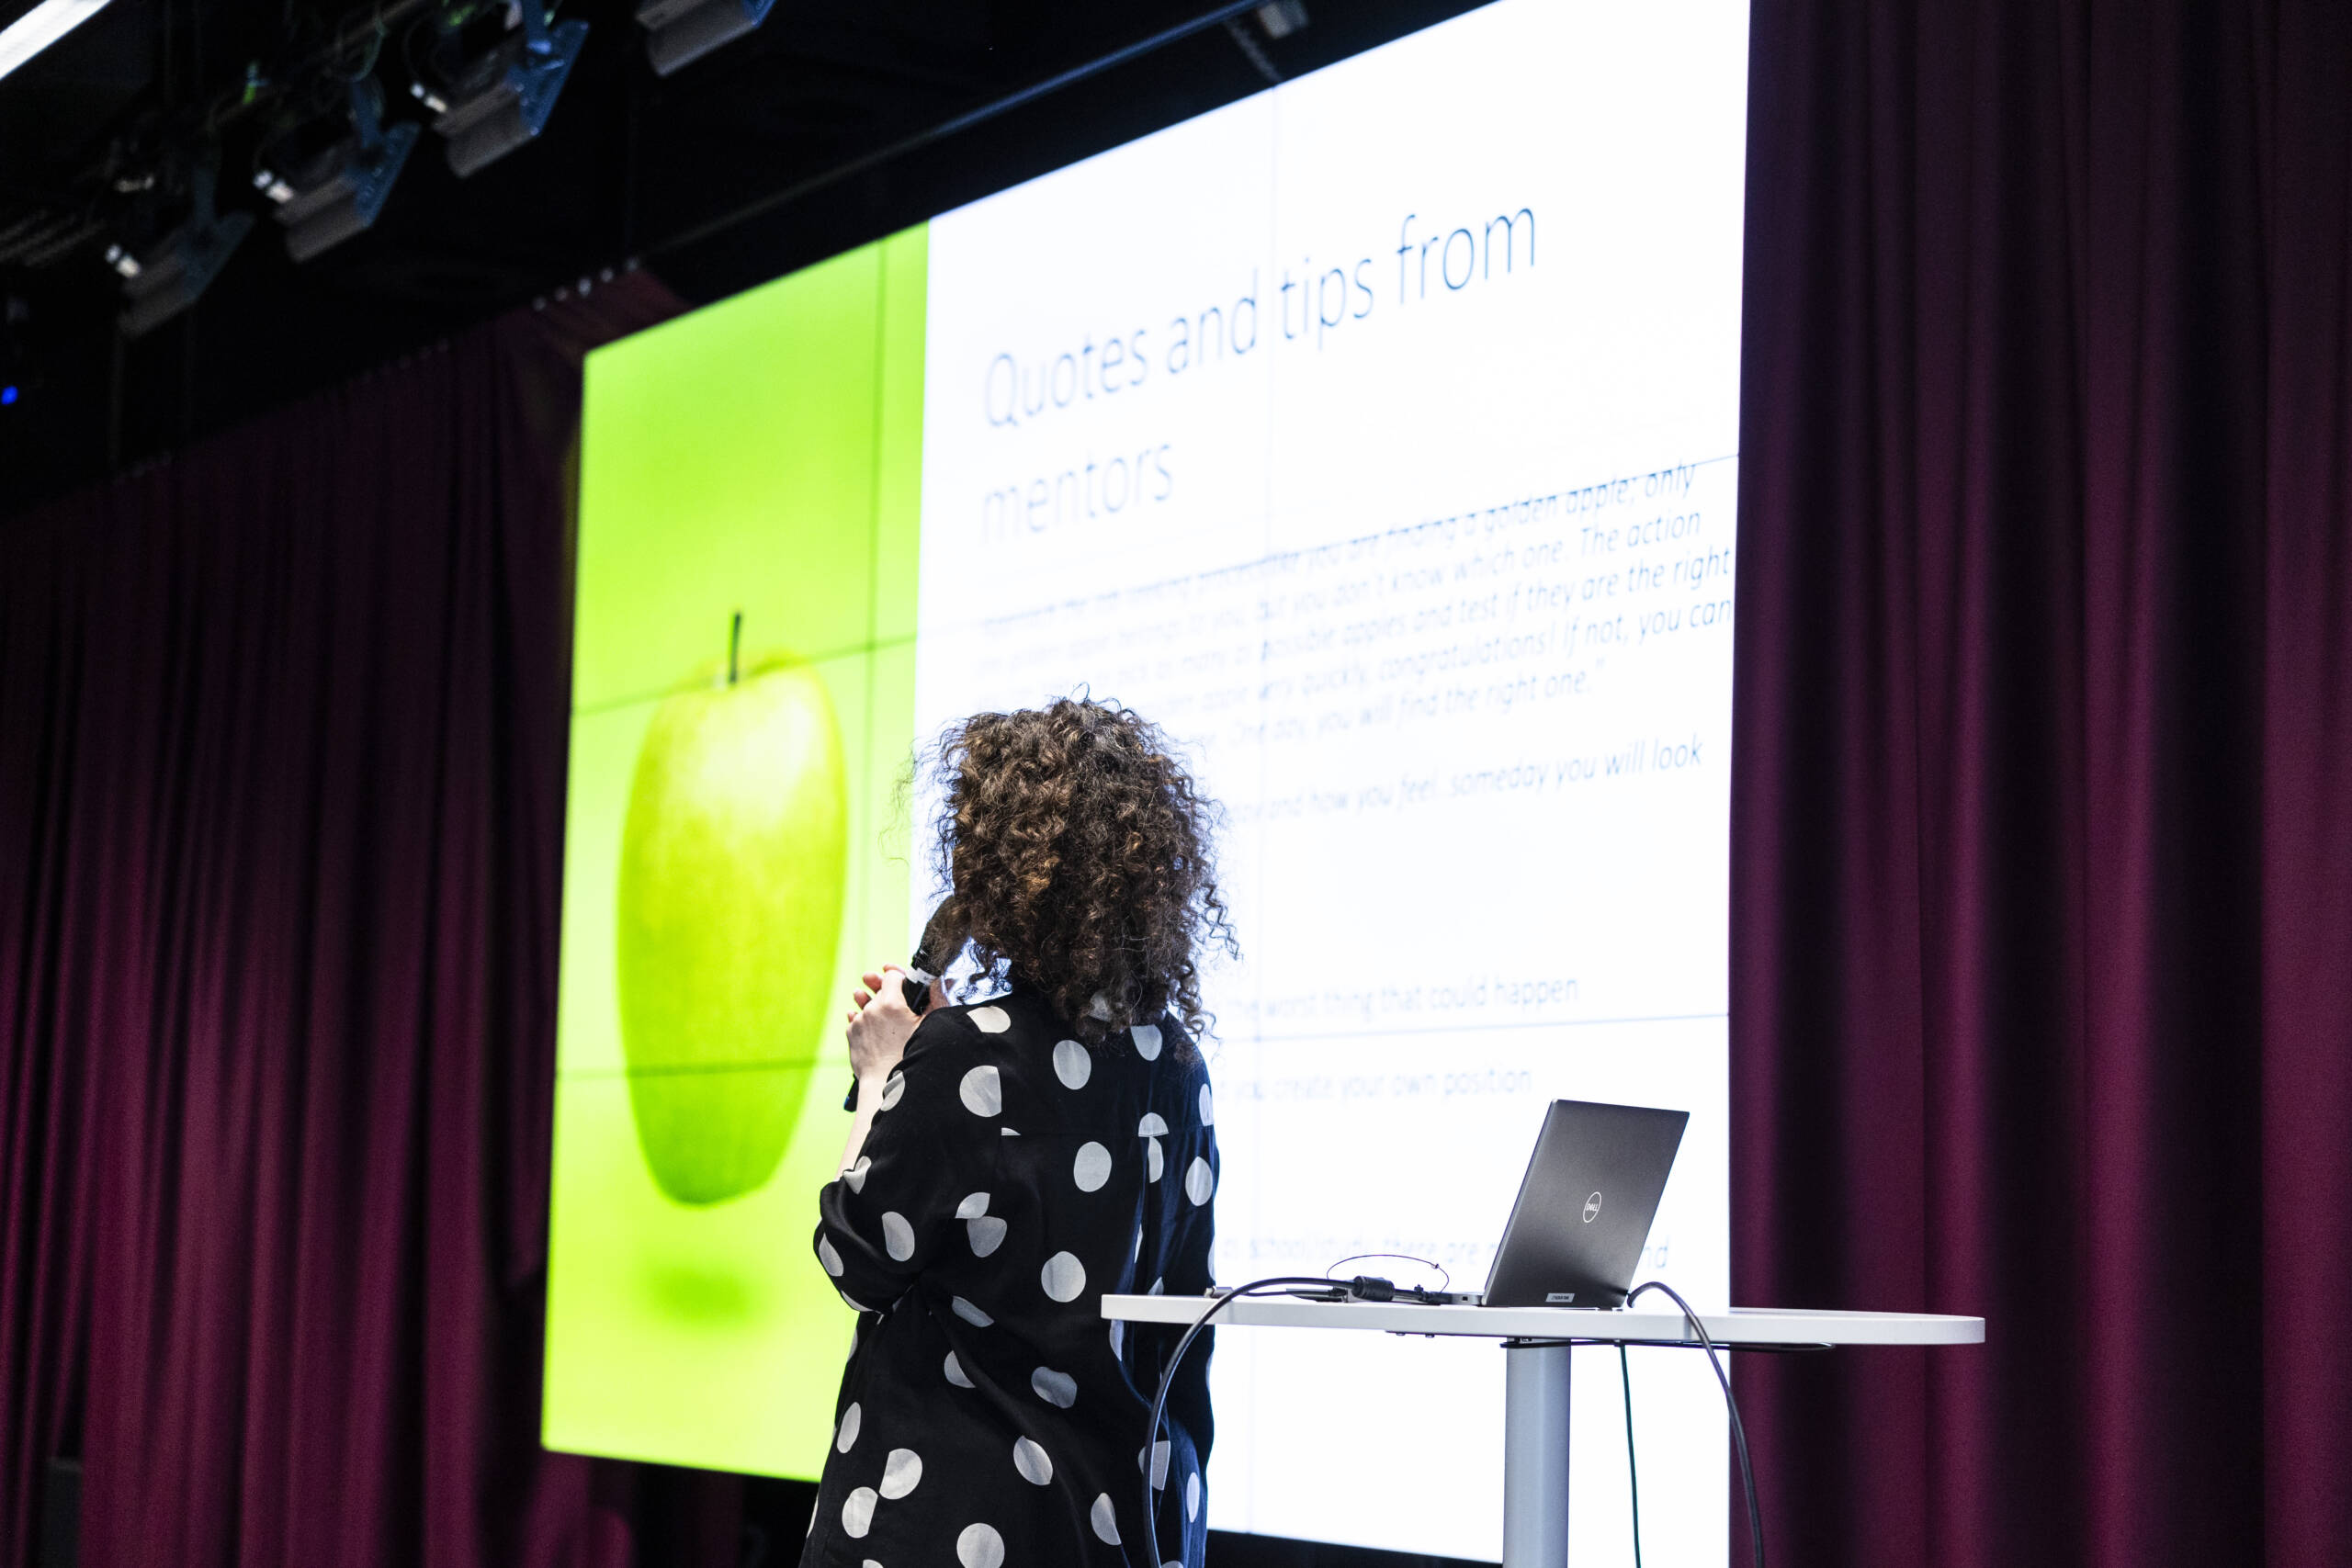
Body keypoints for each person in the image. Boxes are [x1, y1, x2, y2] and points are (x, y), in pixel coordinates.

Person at [800, 697, 1235, 1568]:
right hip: (1118, 1523)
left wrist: (886, 1066)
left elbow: (856, 1258)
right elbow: (1181, 1316)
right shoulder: (1178, 1067)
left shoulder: (964, 1061)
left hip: (953, 1515)